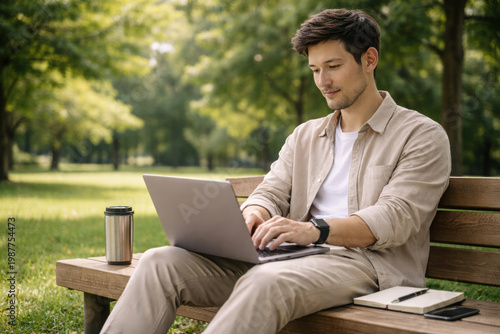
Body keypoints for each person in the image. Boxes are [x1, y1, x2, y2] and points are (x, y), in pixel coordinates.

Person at [101, 8, 451, 334]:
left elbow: (395, 218)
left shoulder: (420, 135)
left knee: (264, 281)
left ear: (369, 59)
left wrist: (311, 230)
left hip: (368, 267)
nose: (322, 81)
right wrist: (254, 212)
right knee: (161, 261)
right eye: (315, 70)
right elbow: (271, 190)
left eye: (333, 66)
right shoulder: (306, 136)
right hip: (294, 256)